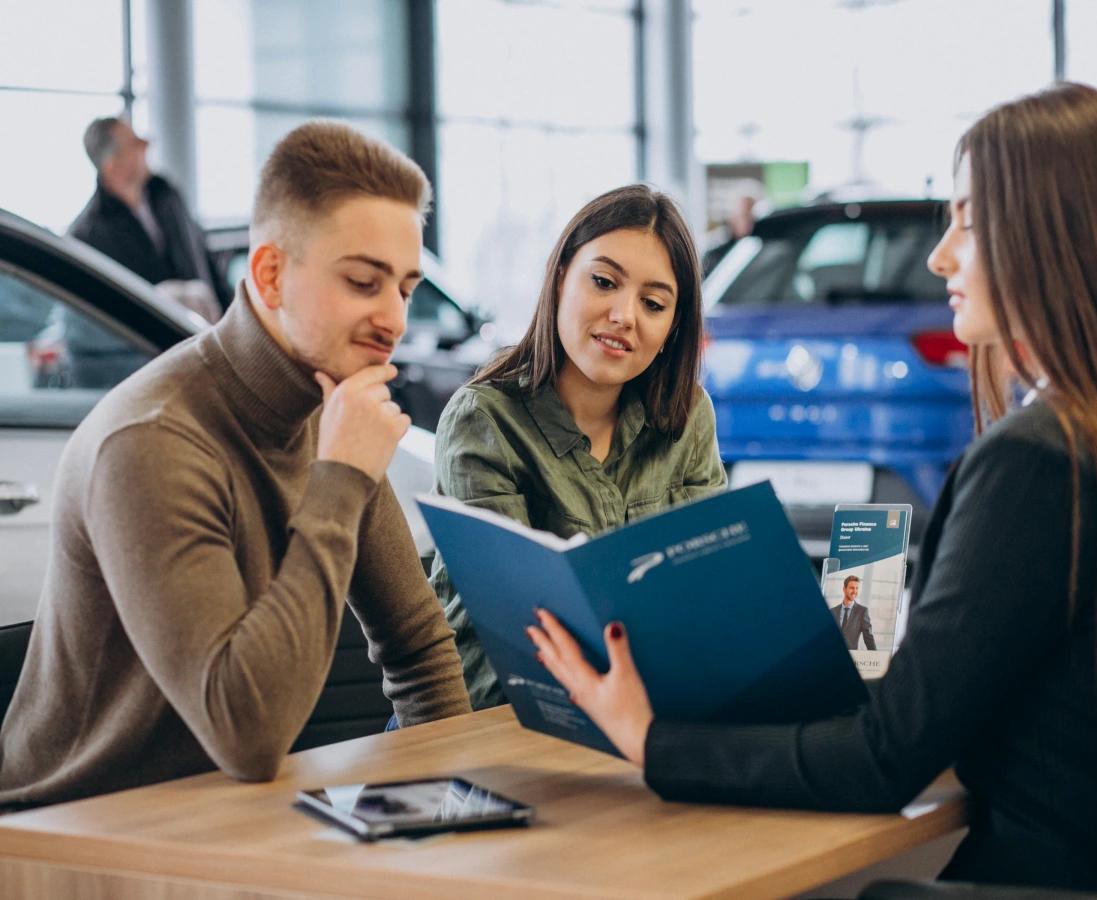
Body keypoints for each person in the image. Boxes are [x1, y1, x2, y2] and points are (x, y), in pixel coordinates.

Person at [527, 83, 1097, 900]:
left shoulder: (1041, 458)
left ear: (1053, 238)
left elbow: (884, 760)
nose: (939, 255)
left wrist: (650, 740)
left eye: (969, 222)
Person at [0, 120, 472, 811]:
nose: (394, 317)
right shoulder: (152, 441)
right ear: (271, 273)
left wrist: (458, 817)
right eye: (364, 282)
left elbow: (421, 652)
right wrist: (339, 477)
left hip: (227, 821)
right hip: (72, 838)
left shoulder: (328, 415)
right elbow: (248, 734)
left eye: (404, 288)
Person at [425, 184, 726, 713]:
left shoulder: (686, 415)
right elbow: (519, 635)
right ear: (561, 275)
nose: (624, 315)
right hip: (498, 726)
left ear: (672, 326)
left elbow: (712, 586)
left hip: (647, 717)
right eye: (604, 282)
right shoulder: (485, 420)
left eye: (653, 303)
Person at [70, 116, 231, 322]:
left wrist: (231, 317)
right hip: (156, 347)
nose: (147, 145)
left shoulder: (166, 194)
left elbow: (204, 259)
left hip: (209, 330)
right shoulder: (87, 235)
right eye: (135, 144)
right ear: (111, 166)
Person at [830, 575, 875, 650]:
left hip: (851, 657)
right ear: (844, 589)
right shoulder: (833, 611)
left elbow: (868, 637)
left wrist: (876, 656)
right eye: (851, 588)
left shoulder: (862, 611)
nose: (854, 591)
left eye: (856, 588)